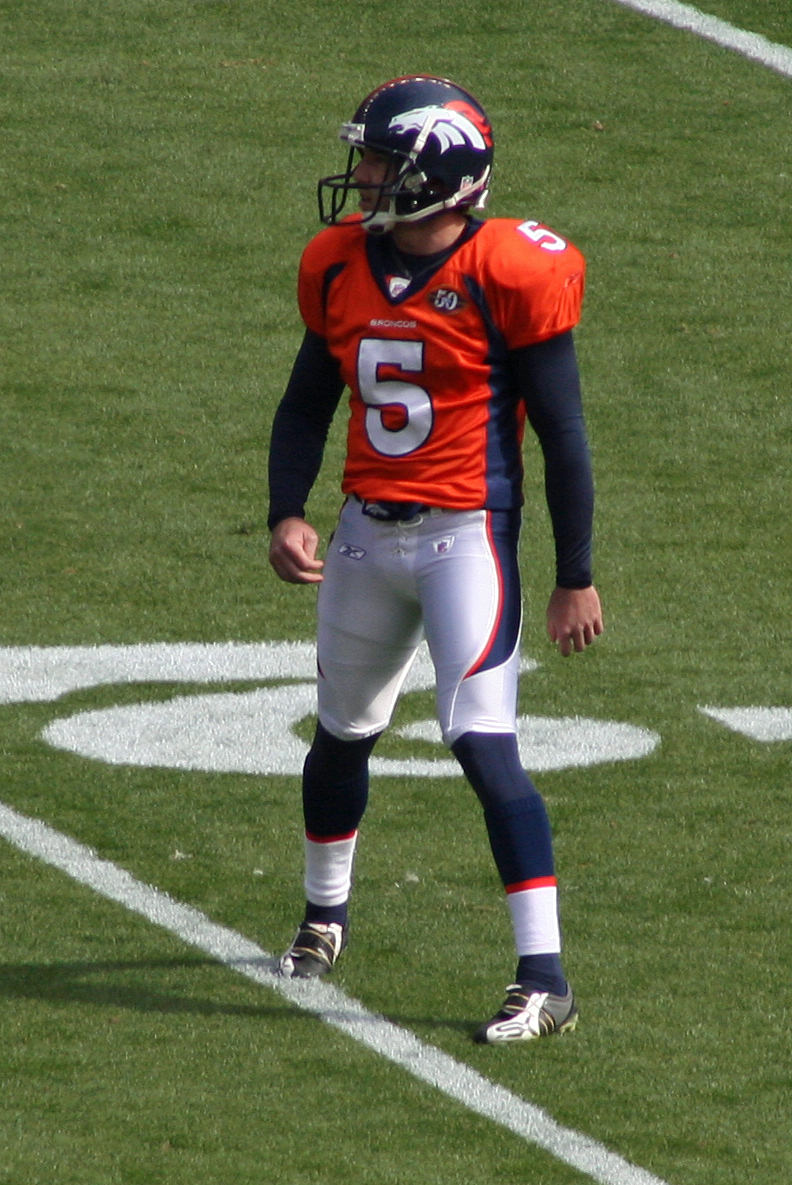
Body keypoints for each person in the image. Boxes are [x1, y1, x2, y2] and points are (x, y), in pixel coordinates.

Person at [267, 74, 603, 1044]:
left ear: (438, 174)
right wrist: (286, 512)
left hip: (467, 535)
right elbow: (304, 404)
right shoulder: (339, 265)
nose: (363, 177)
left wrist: (573, 572)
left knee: (482, 742)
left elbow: (564, 437)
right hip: (367, 533)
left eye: (381, 161)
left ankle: (544, 977)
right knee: (340, 732)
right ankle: (323, 917)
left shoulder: (511, 271)